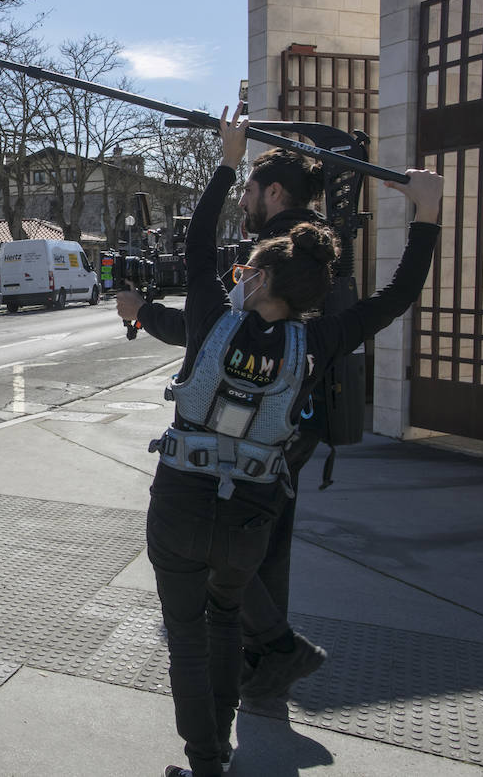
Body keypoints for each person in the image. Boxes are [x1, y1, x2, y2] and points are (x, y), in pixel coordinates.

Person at [132, 103, 442, 777]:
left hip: (181, 499)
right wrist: (426, 215)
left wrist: (226, 158)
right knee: (220, 628)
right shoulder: (318, 341)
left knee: (186, 640)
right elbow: (396, 297)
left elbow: (194, 245)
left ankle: (206, 763)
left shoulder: (216, 318)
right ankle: (228, 732)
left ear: (261, 277)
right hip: (249, 515)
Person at [118, 146, 333, 702]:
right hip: (293, 420)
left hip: (261, 427)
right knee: (253, 545)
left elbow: (209, 330)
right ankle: (267, 653)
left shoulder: (279, 257)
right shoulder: (318, 253)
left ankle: (271, 650)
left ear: (274, 193)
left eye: (248, 190)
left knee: (227, 547)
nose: (243, 201)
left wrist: (141, 312)